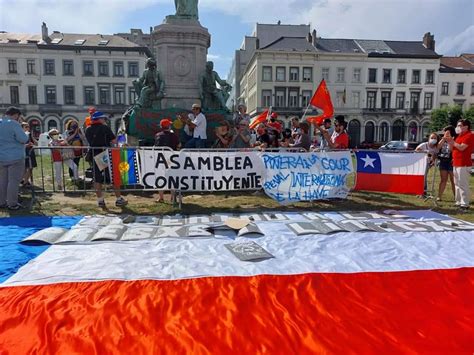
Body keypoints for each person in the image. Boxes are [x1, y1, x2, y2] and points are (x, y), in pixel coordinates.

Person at [85, 111, 128, 208]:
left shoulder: (88, 129)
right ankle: (118, 199)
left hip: (93, 154)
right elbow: (114, 140)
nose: (105, 120)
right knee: (113, 176)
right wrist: (122, 135)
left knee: (97, 178)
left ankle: (100, 200)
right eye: (103, 118)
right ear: (99, 119)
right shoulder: (104, 128)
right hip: (104, 155)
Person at [0, 107, 29, 210]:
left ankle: (2, 202)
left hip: (2, 157)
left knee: (2, 181)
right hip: (15, 157)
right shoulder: (14, 124)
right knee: (13, 181)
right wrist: (25, 133)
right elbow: (23, 139)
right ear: (16, 115)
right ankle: (12, 204)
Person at [447, 119, 474, 210]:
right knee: (457, 183)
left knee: (463, 184)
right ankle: (458, 201)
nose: (458, 127)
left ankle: (465, 204)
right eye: (458, 126)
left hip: (464, 163)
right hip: (456, 162)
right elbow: (452, 149)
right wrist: (450, 141)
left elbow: (462, 148)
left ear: (466, 126)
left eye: (460, 125)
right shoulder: (459, 136)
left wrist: (453, 142)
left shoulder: (469, 135)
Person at [154, 118, 179, 203]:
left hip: (161, 160)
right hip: (172, 159)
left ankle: (161, 197)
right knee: (172, 178)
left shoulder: (158, 135)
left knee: (160, 177)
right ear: (169, 126)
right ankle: (173, 198)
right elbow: (178, 145)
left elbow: (156, 147)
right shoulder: (174, 135)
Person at [436, 126, 456, 202]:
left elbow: (451, 150)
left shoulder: (454, 139)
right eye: (445, 132)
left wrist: (450, 140)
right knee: (443, 180)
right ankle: (439, 196)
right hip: (443, 161)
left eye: (447, 132)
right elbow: (438, 147)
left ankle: (456, 197)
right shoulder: (443, 139)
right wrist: (443, 139)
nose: (445, 134)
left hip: (451, 162)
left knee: (453, 180)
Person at [21, 122, 37, 187]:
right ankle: (25, 182)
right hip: (24, 153)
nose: (28, 128)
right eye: (26, 127)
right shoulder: (20, 135)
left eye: (28, 127)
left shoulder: (29, 135)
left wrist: (32, 137)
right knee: (26, 168)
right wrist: (26, 145)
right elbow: (18, 145)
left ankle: (25, 181)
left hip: (30, 152)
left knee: (30, 167)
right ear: (22, 128)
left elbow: (36, 143)